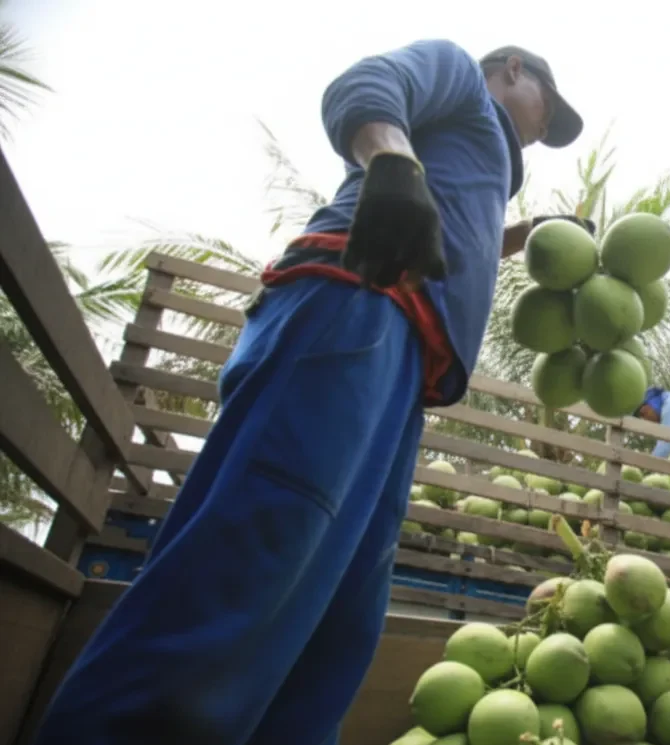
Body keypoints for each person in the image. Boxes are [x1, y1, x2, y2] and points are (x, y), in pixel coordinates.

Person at [34, 41, 585, 745]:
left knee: (335, 625)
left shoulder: (490, 167)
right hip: (354, 309)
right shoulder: (458, 77)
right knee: (251, 561)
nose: (546, 127)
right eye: (549, 108)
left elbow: (450, 232)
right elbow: (366, 83)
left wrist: (529, 234)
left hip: (406, 371)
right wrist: (390, 159)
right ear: (513, 71)